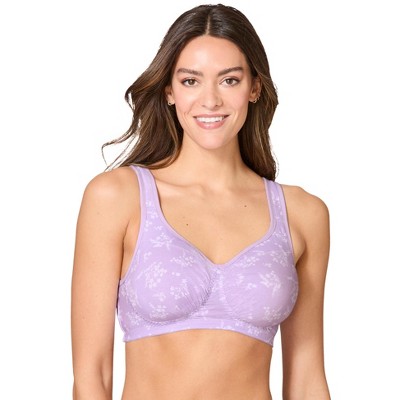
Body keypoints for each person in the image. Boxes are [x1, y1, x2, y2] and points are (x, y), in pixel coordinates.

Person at [71, 4, 331, 399]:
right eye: (191, 81)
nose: (210, 100)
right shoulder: (117, 197)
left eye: (229, 80)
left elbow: (307, 379)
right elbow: (92, 376)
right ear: (169, 91)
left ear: (254, 88)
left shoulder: (303, 213)